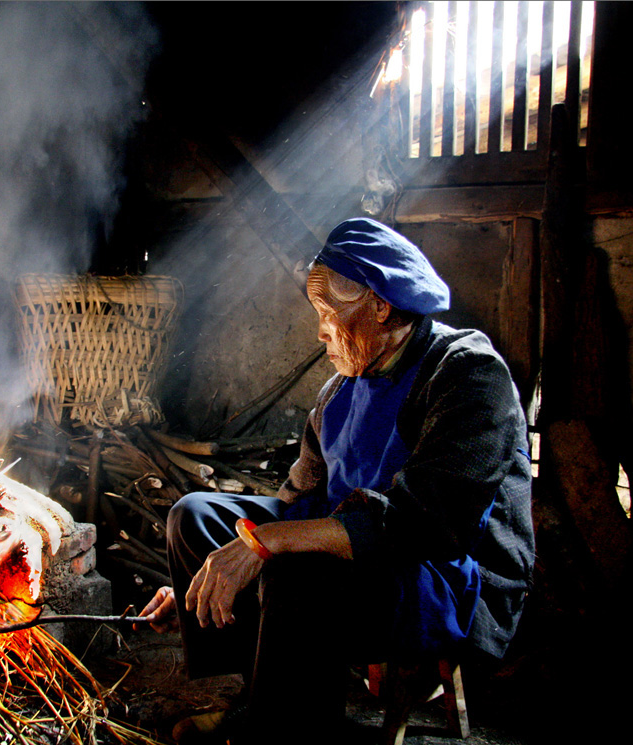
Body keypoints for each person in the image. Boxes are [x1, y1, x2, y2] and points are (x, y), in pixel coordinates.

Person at [138, 218, 535, 744]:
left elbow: (427, 525)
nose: (320, 331)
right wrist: (207, 576)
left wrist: (269, 544)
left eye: (328, 313)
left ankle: (279, 732)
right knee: (197, 516)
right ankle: (263, 701)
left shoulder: (467, 373)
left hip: (448, 576)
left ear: (380, 307)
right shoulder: (339, 392)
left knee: (295, 567)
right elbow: (298, 502)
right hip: (367, 553)